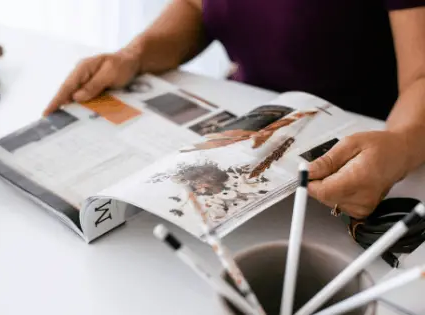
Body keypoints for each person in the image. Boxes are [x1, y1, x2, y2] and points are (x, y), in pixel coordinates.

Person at [44, 0, 425, 220]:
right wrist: (135, 55)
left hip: (364, 159)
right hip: (246, 125)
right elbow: (197, 6)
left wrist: (402, 143)